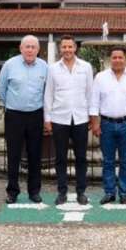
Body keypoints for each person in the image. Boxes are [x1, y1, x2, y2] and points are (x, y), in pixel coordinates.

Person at [89, 46, 126, 205]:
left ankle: (124, 192)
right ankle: (109, 192)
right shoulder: (100, 77)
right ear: (110, 59)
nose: (117, 60)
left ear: (125, 59)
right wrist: (95, 123)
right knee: (108, 161)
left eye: (120, 57)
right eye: (114, 57)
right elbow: (94, 102)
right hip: (106, 124)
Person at [44, 35, 93, 206]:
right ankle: (62, 192)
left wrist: (92, 117)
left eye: (70, 47)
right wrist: (47, 118)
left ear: (75, 48)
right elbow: (48, 94)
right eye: (64, 47)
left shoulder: (86, 67)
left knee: (81, 158)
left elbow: (90, 93)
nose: (67, 50)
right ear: (60, 49)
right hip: (59, 118)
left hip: (80, 119)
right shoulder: (53, 69)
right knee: (60, 158)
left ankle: (81, 192)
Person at [0, 35, 48, 204]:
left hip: (35, 115)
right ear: (21, 48)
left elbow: (47, 91)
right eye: (27, 46)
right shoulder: (10, 65)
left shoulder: (44, 67)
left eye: (33, 47)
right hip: (14, 116)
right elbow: (1, 88)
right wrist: (12, 104)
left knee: (35, 155)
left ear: (38, 49)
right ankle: (12, 191)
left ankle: (34, 191)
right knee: (13, 155)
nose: (30, 50)